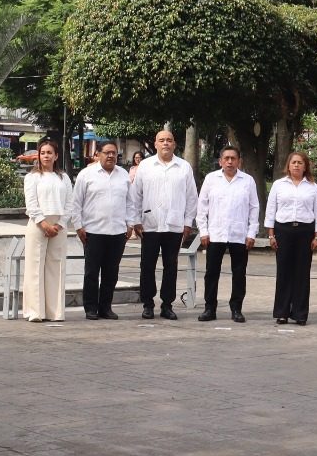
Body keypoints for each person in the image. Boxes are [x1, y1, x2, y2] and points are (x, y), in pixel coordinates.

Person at [128, 130, 198, 320]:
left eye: (169, 140)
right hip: (149, 225)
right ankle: (148, 304)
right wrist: (135, 220)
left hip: (174, 225)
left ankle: (167, 305)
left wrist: (188, 222)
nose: (165, 143)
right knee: (147, 266)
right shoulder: (145, 166)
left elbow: (192, 197)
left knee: (171, 266)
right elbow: (135, 195)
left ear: (174, 144)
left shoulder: (183, 167)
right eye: (162, 140)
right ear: (156, 144)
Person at [195, 146, 259, 323]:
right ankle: (210, 308)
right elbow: (202, 207)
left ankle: (236, 309)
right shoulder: (211, 179)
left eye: (233, 158)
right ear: (220, 161)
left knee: (239, 273)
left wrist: (251, 233)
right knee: (211, 273)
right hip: (215, 233)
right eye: (226, 158)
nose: (230, 162)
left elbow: (254, 208)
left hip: (239, 234)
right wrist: (203, 231)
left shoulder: (248, 181)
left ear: (239, 161)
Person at [72, 140, 130, 320]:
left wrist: (130, 224)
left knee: (111, 273)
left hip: (117, 231)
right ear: (98, 154)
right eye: (107, 152)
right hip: (93, 231)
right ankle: (90, 308)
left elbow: (130, 202)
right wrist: (78, 226)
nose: (111, 156)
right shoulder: (86, 174)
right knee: (91, 272)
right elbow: (76, 203)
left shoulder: (123, 175)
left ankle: (106, 307)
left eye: (114, 153)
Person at [265, 151, 317, 326]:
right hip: (283, 230)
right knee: (283, 272)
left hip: (305, 232)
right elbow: (270, 210)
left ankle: (300, 313)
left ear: (305, 166)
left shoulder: (312, 187)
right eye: (294, 162)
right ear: (288, 166)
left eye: (300, 163)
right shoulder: (278, 185)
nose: (296, 165)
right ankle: (282, 312)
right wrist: (271, 235)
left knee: (302, 273)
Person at [21, 139, 75, 323]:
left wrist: (59, 225)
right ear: (38, 155)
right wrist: (44, 224)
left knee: (56, 267)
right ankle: (35, 311)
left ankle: (55, 312)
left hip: (59, 224)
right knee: (35, 267)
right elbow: (31, 203)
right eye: (43, 153)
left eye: (49, 153)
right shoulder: (32, 177)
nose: (46, 156)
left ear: (56, 156)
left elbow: (69, 203)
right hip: (38, 224)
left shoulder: (63, 177)